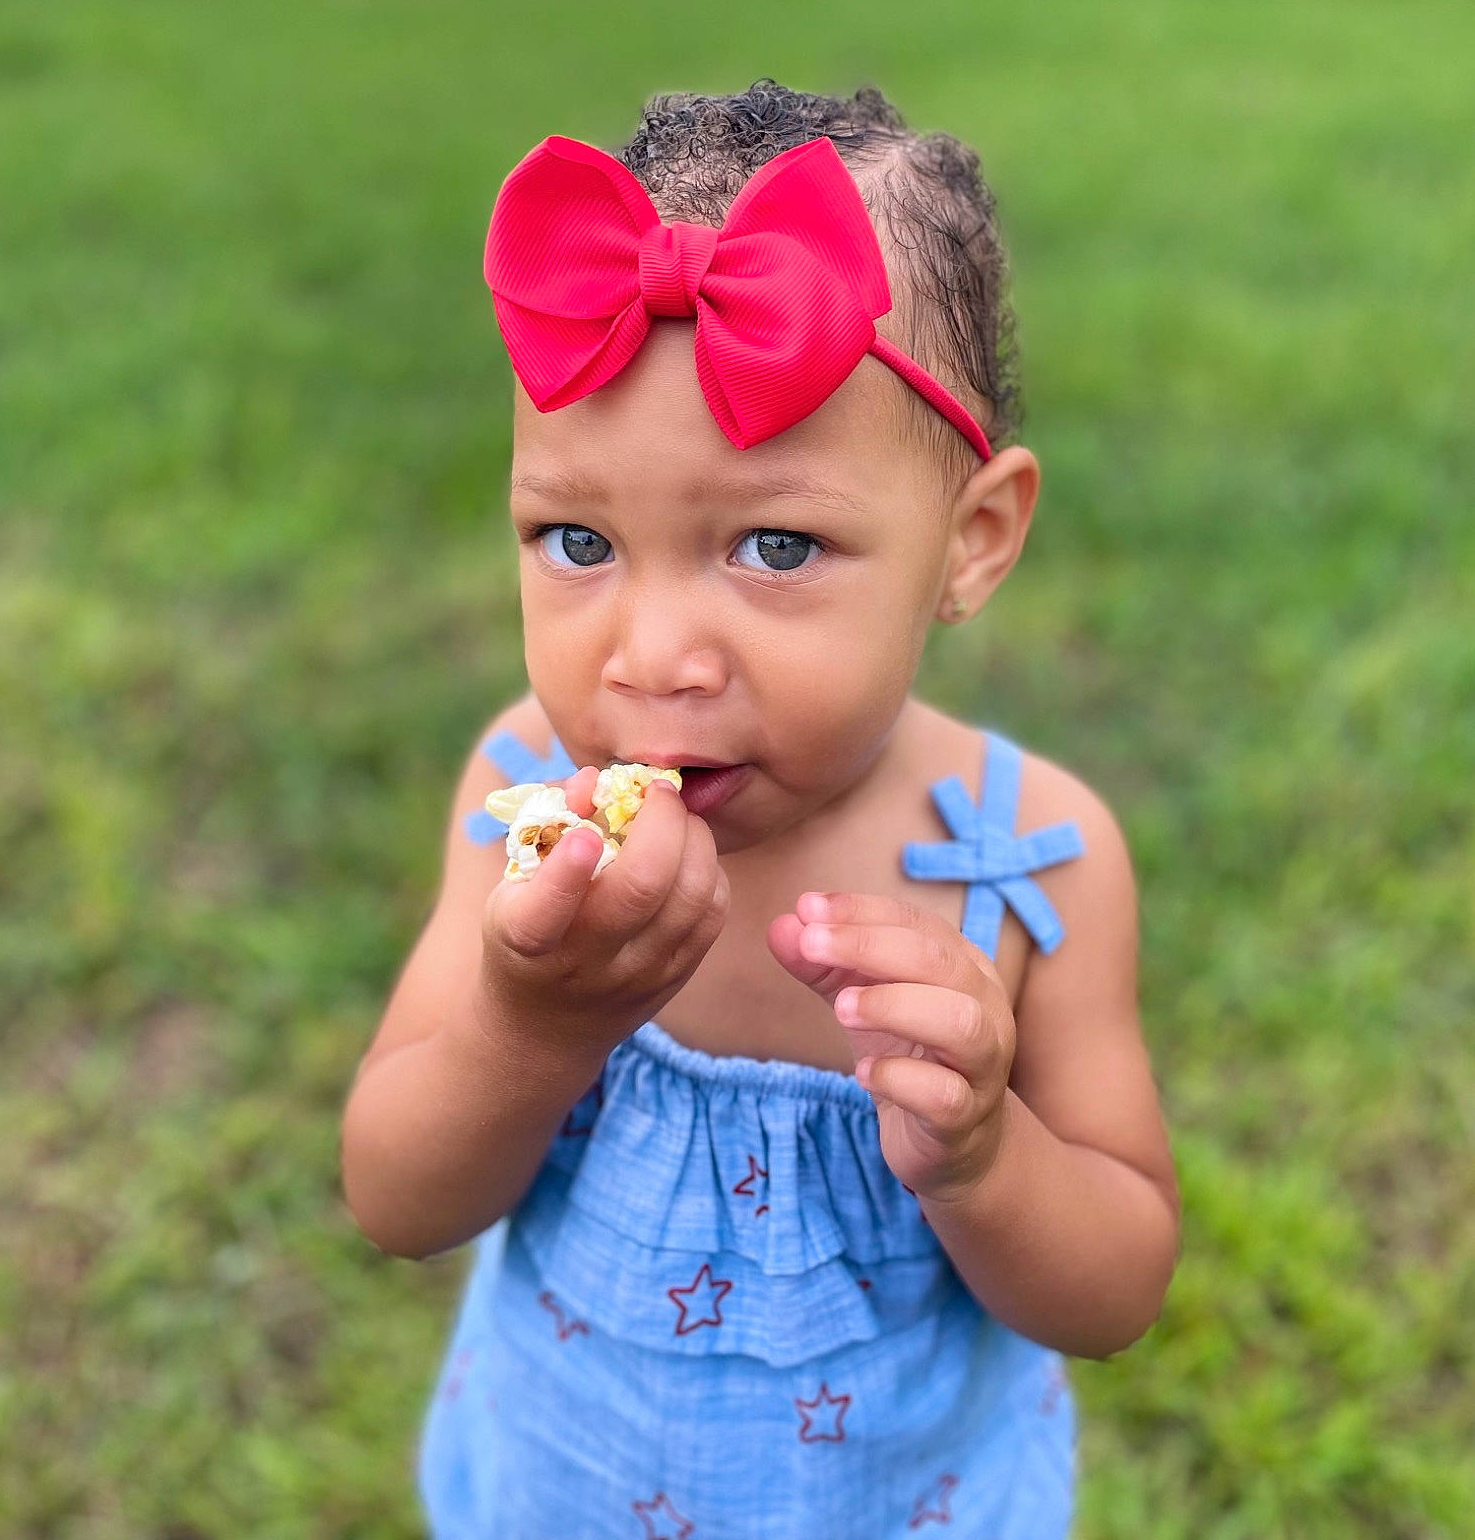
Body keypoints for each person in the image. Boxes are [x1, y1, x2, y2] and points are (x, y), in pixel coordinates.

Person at [340, 81, 1180, 1540]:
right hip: (571, 1486)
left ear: (971, 543)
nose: (651, 656)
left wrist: (986, 1154)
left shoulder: (1031, 863)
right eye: (578, 540)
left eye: (776, 544)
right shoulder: (524, 799)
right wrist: (525, 1028)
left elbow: (1114, 1292)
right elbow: (396, 1197)